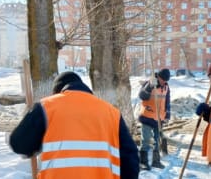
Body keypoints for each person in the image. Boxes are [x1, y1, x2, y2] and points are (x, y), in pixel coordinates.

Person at [9, 71, 139, 179]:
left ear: (58, 92)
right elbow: (130, 160)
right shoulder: (112, 113)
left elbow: (19, 143)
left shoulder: (47, 107)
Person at [138, 68, 171, 170]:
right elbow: (142, 96)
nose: (164, 82)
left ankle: (156, 161)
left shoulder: (166, 87)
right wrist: (149, 86)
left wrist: (167, 114)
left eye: (166, 80)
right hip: (147, 116)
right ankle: (143, 163)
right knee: (146, 140)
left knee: (157, 140)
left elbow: (167, 101)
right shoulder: (150, 83)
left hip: (159, 118)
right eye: (163, 79)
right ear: (159, 77)